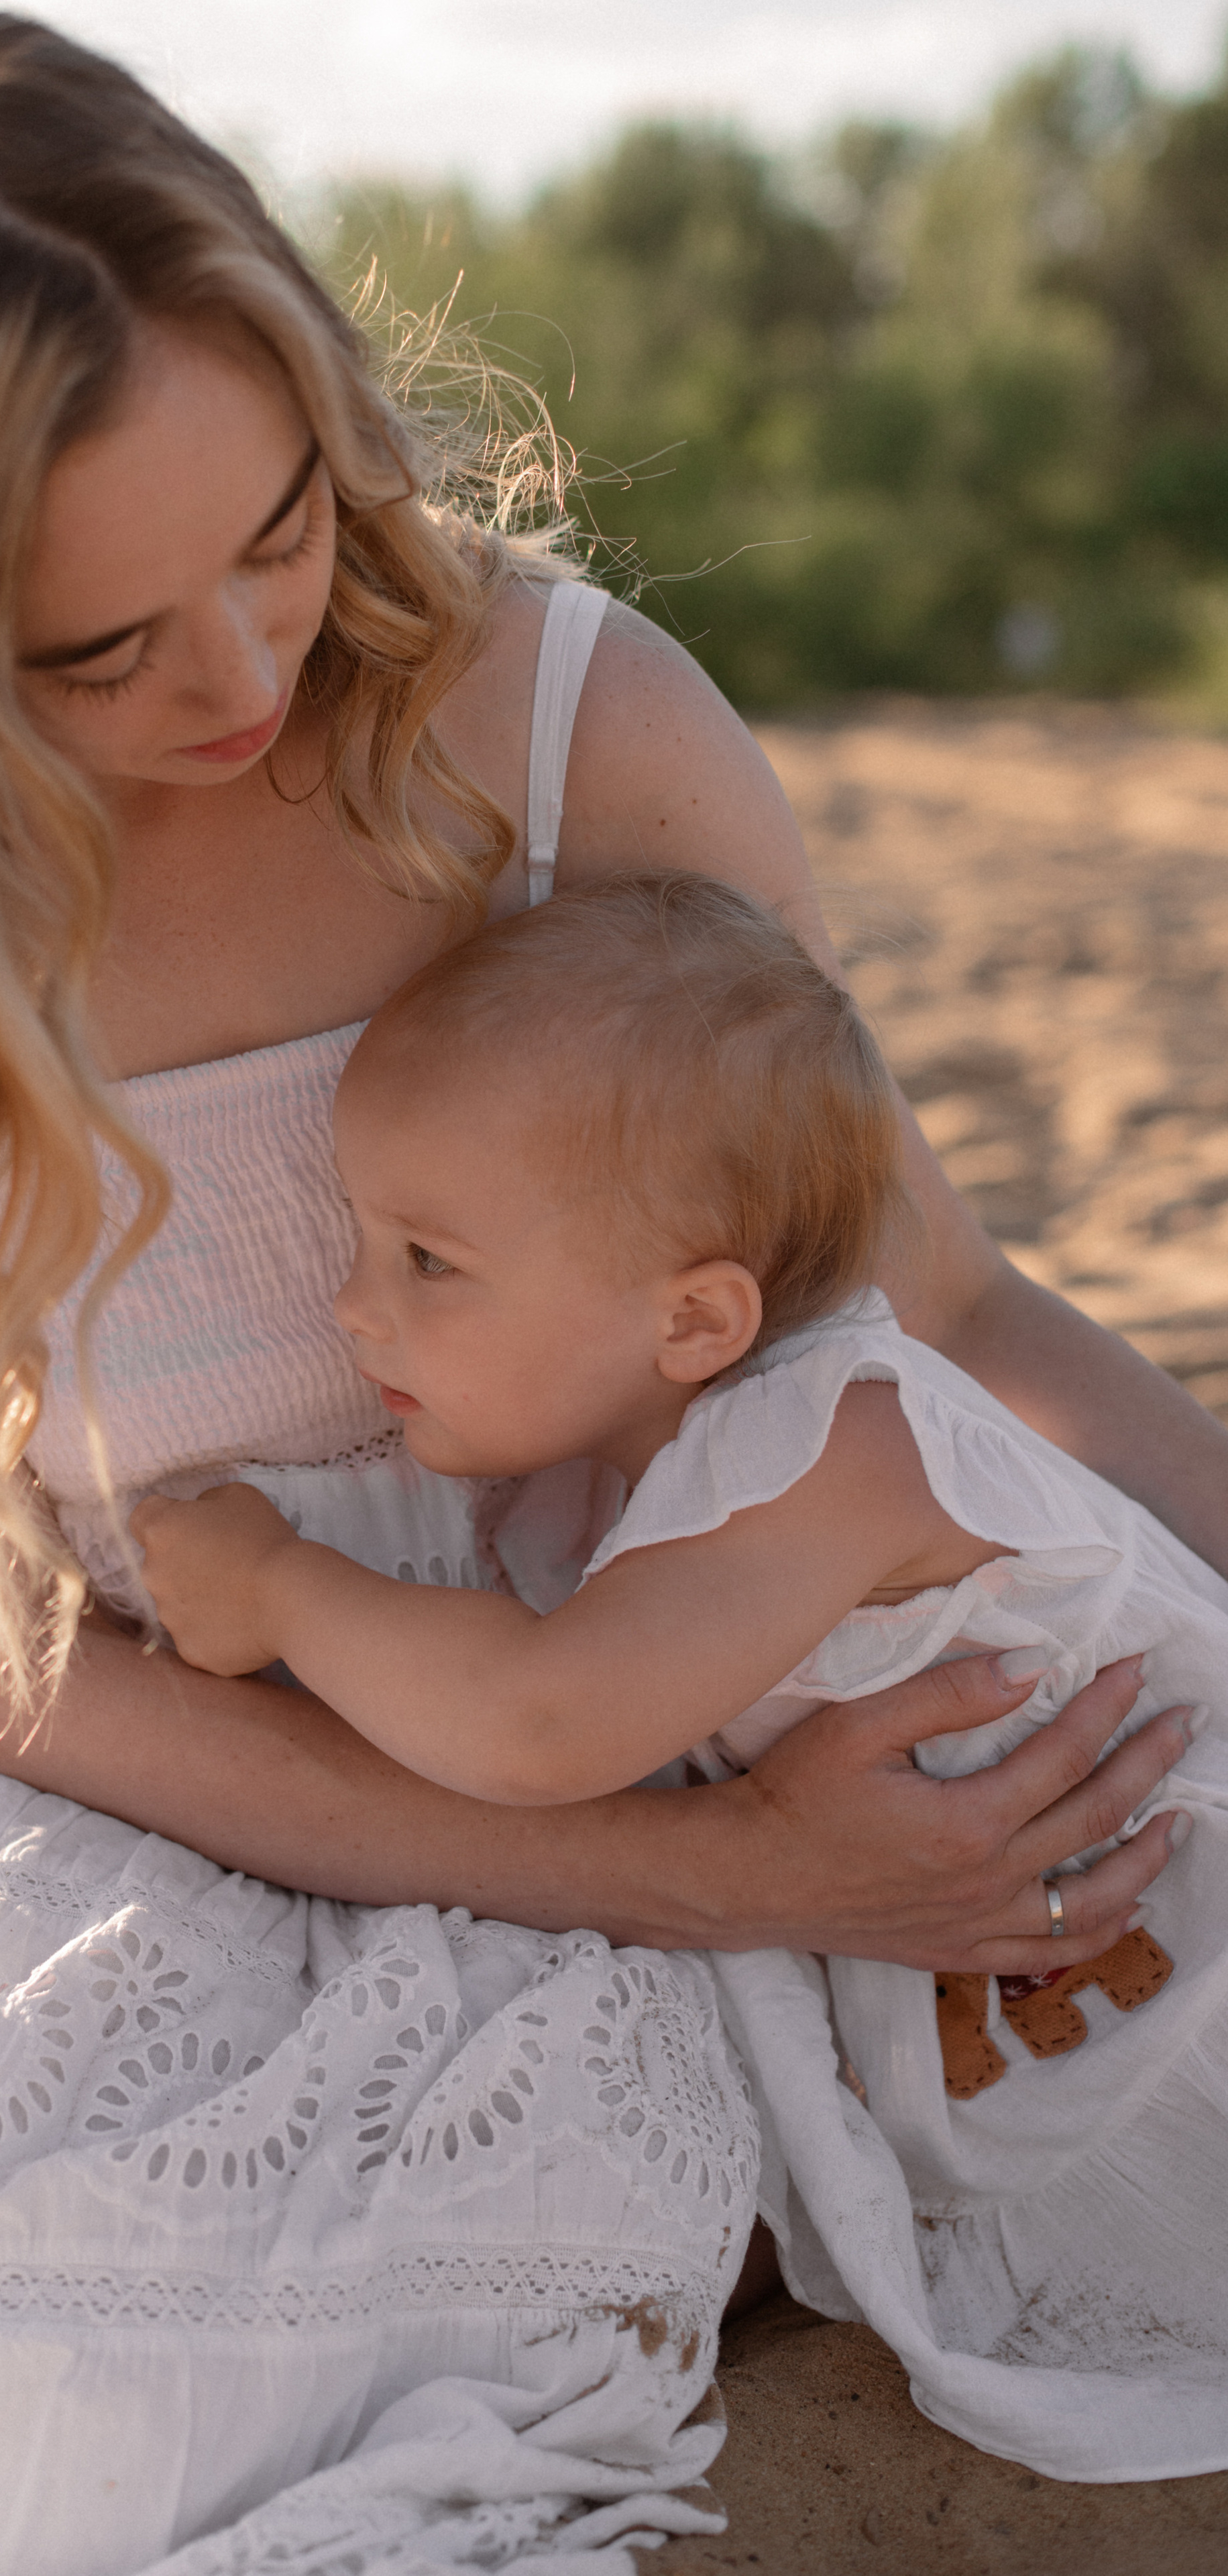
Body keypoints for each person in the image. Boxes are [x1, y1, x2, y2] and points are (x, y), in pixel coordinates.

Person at [0, 9, 1203, 2571]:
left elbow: (944, 1308)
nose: (243, 676)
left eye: (282, 527)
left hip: (612, 1682)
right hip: (128, 1745)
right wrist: (740, 1878)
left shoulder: (562, 730)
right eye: (96, 650)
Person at [135, 869, 1228, 2477]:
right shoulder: (658, 1463)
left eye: (427, 1260)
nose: (352, 1305)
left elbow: (538, 1720)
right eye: (362, 1238)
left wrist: (280, 1589)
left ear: (696, 1319)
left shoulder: (835, 1446)